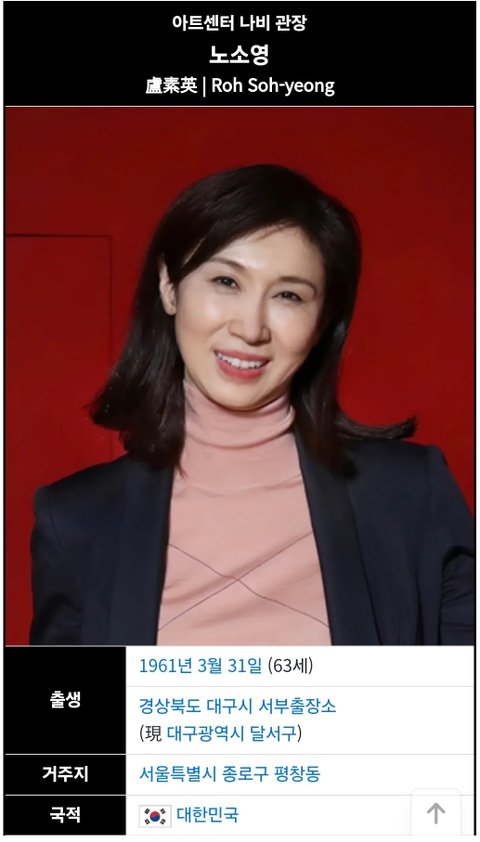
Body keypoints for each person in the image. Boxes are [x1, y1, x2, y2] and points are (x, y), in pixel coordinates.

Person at [29, 164, 474, 646]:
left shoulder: (412, 495)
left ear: (322, 321)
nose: (251, 328)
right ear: (169, 286)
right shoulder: (76, 520)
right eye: (226, 282)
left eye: (288, 295)